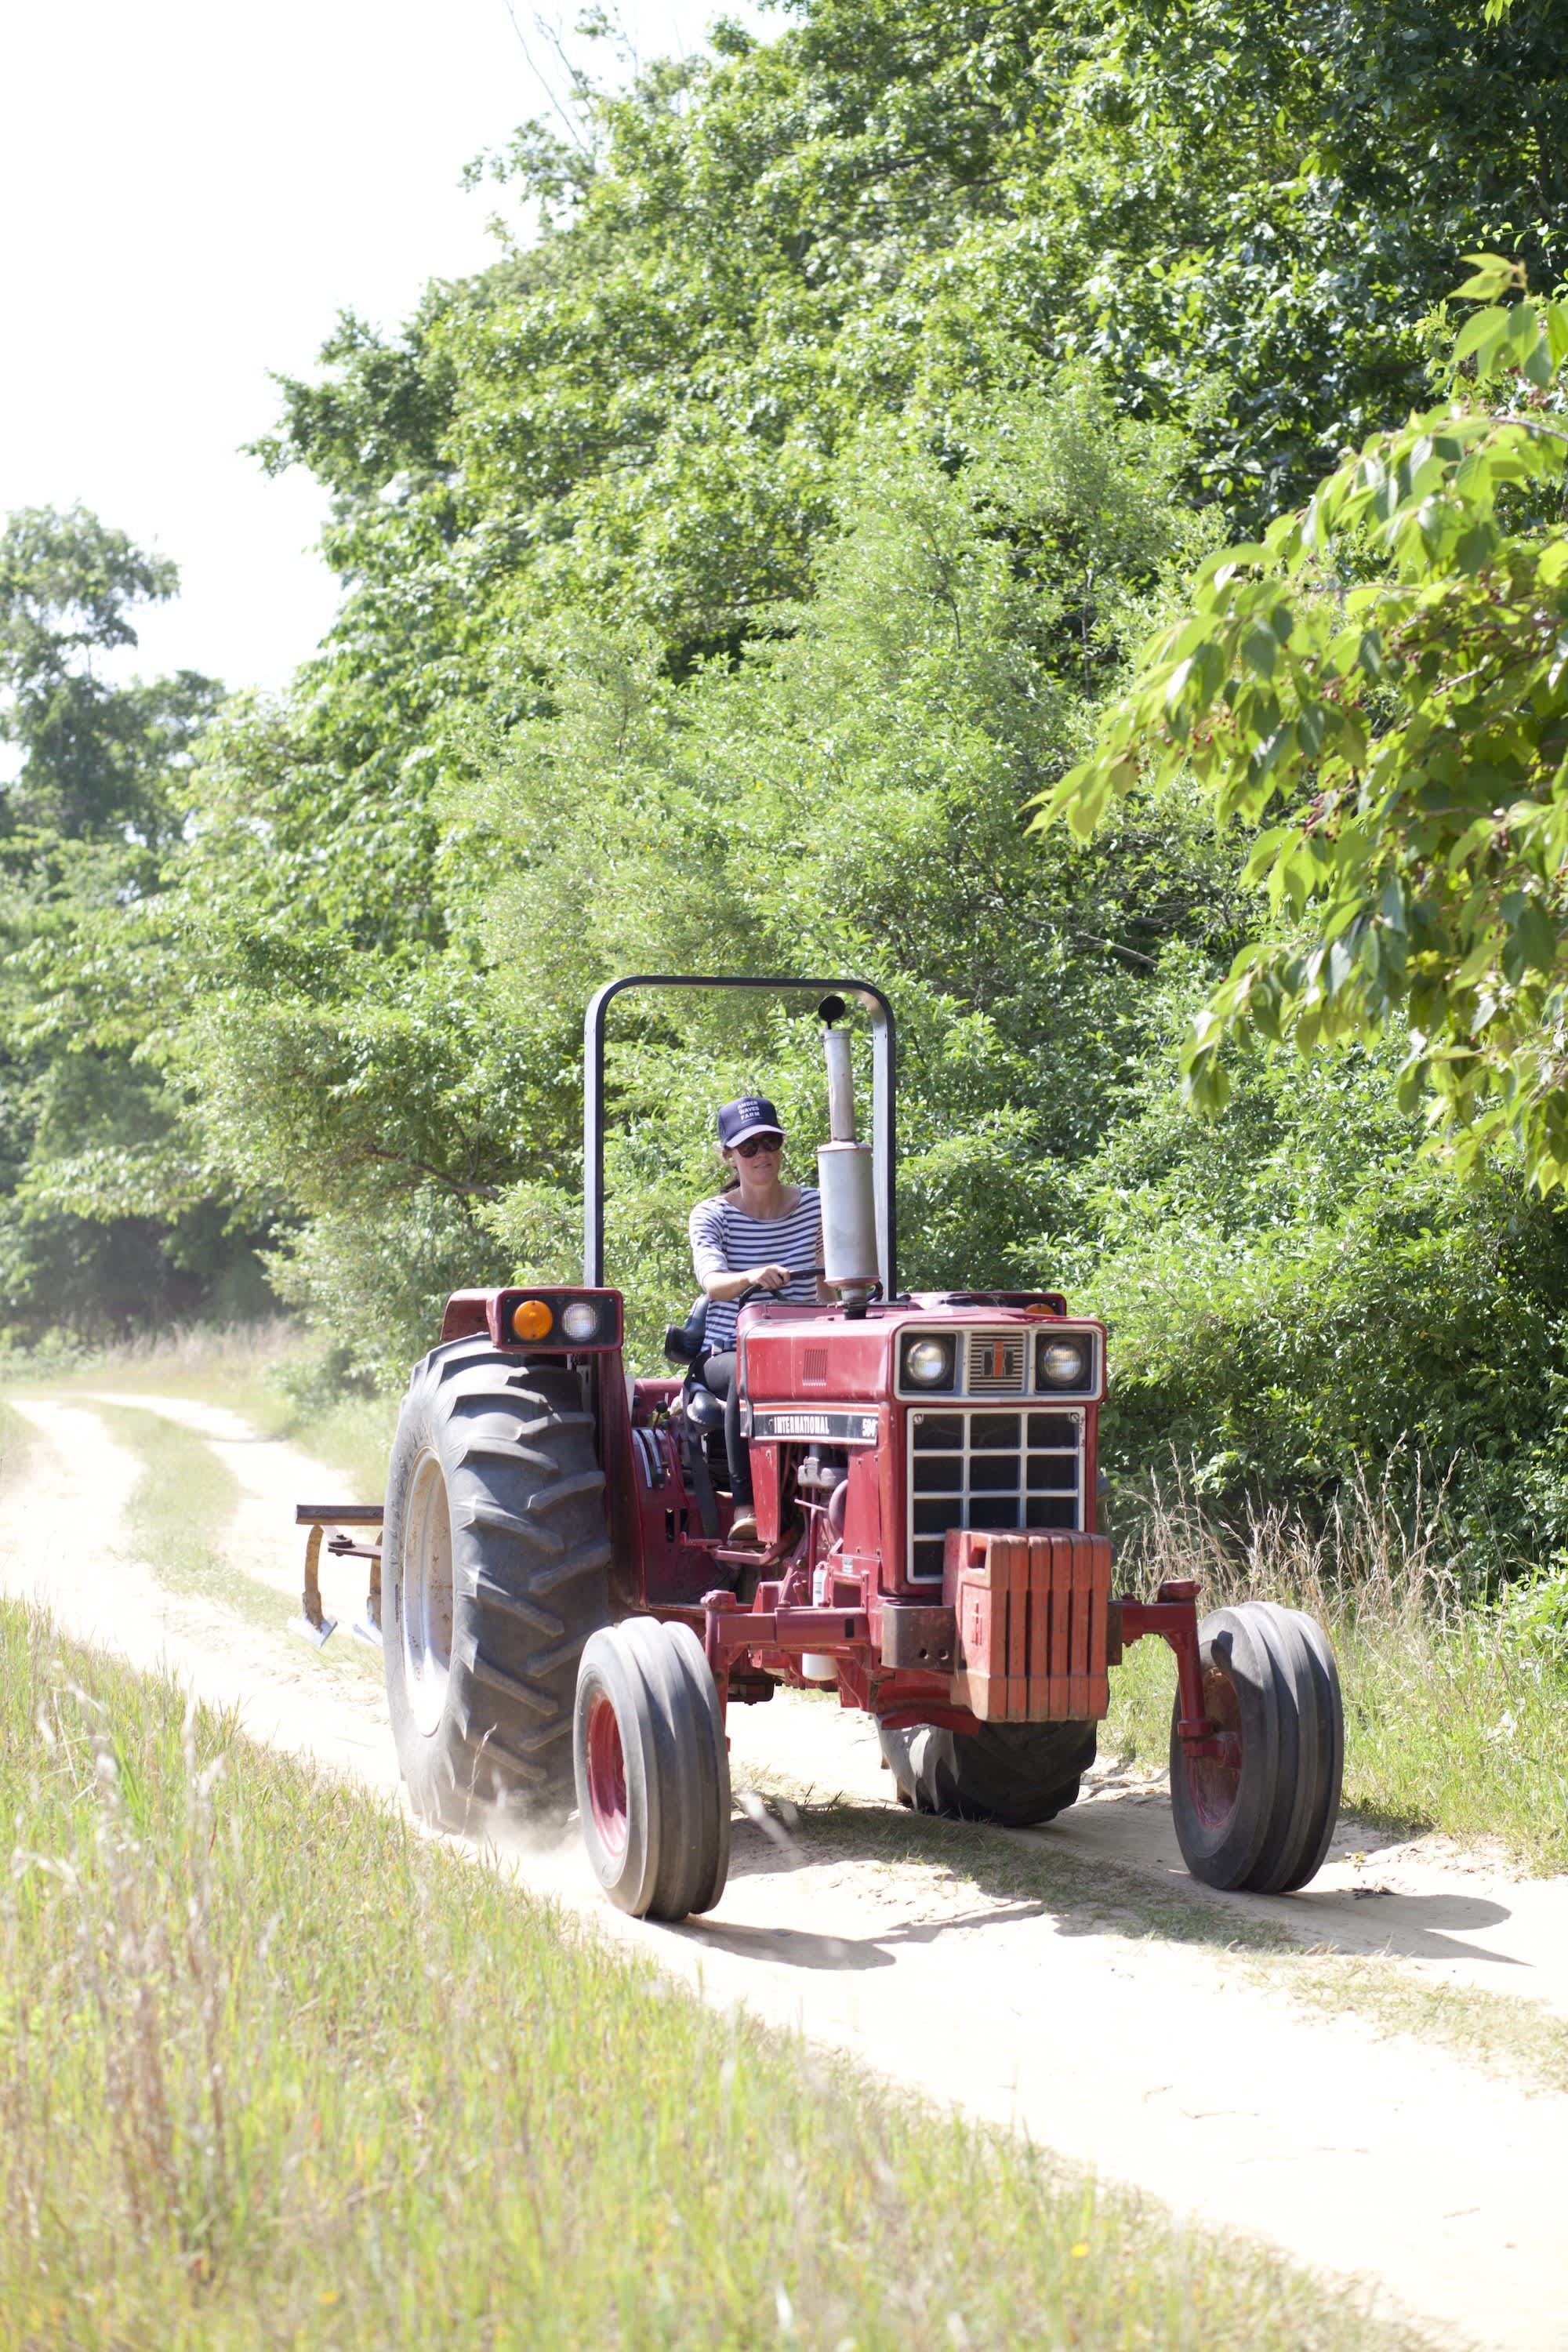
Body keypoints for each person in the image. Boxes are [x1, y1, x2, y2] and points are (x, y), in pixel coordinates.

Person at [688, 1094, 822, 1543]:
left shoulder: (818, 1207)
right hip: (728, 1349)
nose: (761, 1155)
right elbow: (713, 1282)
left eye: (770, 1143)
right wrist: (751, 1276)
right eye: (748, 1148)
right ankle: (747, 1508)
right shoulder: (713, 1215)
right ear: (728, 1156)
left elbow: (835, 1288)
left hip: (807, 1347)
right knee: (751, 1368)